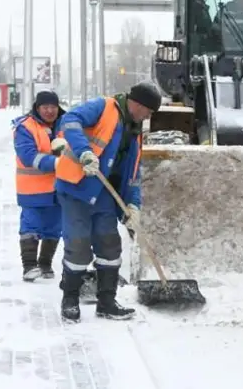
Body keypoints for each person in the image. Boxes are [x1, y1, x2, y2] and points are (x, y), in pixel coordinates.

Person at [54, 82, 162, 322]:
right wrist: (84, 152)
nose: (149, 116)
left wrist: (133, 205)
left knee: (110, 245)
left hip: (104, 193)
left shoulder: (135, 131)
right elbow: (70, 119)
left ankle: (106, 302)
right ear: (137, 104)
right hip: (76, 187)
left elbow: (133, 173)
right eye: (148, 111)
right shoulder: (104, 107)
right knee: (79, 245)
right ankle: (70, 300)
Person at [12, 90, 65, 282]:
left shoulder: (67, 124)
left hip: (59, 189)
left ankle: (45, 264)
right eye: (45, 107)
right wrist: (57, 163)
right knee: (30, 226)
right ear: (37, 107)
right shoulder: (25, 127)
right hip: (32, 188)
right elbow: (27, 156)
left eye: (53, 107)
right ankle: (29, 266)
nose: (50, 111)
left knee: (54, 227)